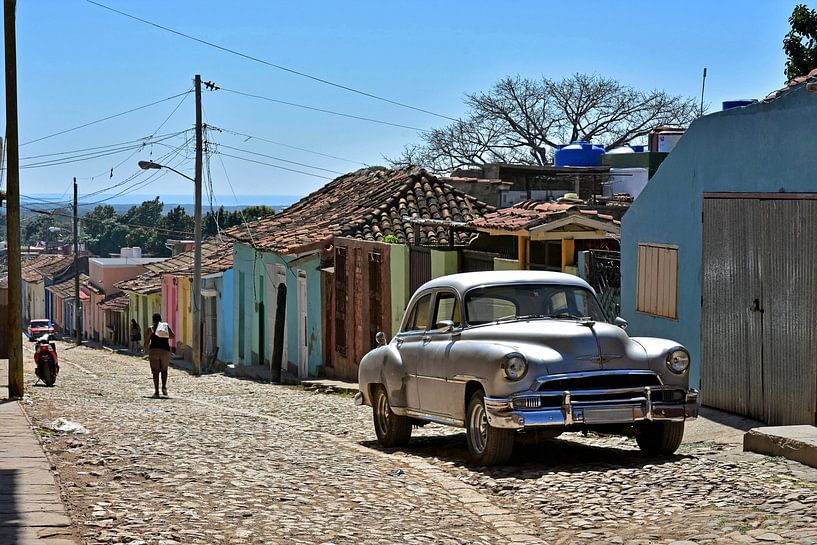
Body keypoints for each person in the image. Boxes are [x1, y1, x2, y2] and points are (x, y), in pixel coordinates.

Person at [143, 313, 175, 398]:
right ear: (160, 319)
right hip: (165, 351)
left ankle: (156, 391)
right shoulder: (165, 327)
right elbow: (172, 336)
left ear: (153, 320)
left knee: (155, 372)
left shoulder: (151, 329)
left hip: (154, 351)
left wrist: (144, 348)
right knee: (164, 370)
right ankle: (164, 387)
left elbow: (146, 341)